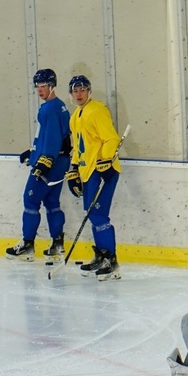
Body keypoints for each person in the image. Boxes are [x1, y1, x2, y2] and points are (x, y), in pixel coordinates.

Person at [6, 69, 71, 262]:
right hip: (61, 162)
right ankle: (57, 246)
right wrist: (33, 151)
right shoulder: (60, 106)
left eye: (44, 86)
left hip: (50, 163)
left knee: (30, 200)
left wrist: (44, 160)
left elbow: (52, 139)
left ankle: (27, 245)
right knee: (52, 203)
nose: (40, 90)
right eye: (37, 86)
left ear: (52, 86)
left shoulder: (49, 109)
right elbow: (54, 137)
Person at [67, 74, 122, 281]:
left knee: (99, 215)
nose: (79, 94)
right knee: (92, 214)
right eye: (75, 91)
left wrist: (105, 161)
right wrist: (74, 169)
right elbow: (78, 147)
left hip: (103, 171)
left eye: (82, 90)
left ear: (89, 91)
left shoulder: (97, 110)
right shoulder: (75, 116)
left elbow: (111, 138)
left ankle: (111, 260)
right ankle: (101, 255)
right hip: (87, 171)